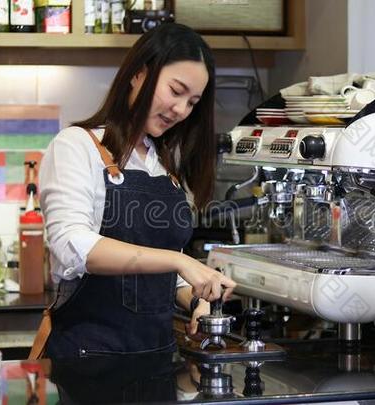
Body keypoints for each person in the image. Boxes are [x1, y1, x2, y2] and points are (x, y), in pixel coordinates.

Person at [39, 23, 236, 359]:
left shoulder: (164, 165)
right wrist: (179, 260)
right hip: (86, 362)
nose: (181, 110)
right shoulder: (77, 146)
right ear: (138, 75)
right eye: (176, 91)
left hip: (155, 359)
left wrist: (197, 298)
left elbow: (157, 279)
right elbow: (70, 247)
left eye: (192, 102)